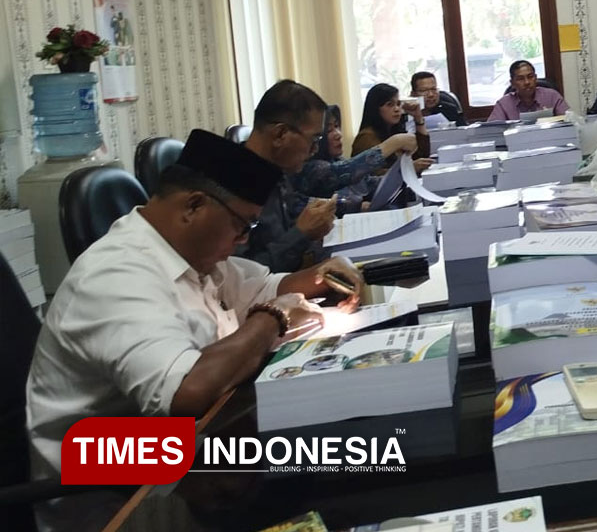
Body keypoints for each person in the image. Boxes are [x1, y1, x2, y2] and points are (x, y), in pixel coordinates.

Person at [26, 129, 365, 473]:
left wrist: (327, 272)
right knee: (338, 458)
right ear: (193, 206)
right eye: (242, 225)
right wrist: (273, 318)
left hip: (187, 444)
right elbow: (186, 394)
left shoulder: (191, 254)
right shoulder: (114, 276)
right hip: (108, 476)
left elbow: (264, 287)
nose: (243, 240)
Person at [238, 80, 338, 272]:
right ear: (280, 134)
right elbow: (242, 276)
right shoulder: (233, 186)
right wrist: (302, 233)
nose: (315, 149)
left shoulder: (276, 171)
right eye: (314, 139)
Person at [288, 104, 418, 217]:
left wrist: (407, 177)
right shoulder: (308, 168)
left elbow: (370, 183)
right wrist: (394, 143)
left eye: (337, 126)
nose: (338, 134)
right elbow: (345, 171)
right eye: (328, 130)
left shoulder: (335, 159)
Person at [352, 82, 432, 167]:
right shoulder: (367, 137)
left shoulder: (393, 130)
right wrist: (409, 168)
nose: (397, 109)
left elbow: (422, 156)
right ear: (375, 108)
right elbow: (372, 173)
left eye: (398, 104)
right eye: (390, 104)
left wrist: (418, 118)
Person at [488, 60, 569, 120]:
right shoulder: (504, 104)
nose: (527, 82)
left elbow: (568, 122)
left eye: (530, 77)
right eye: (520, 79)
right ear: (512, 83)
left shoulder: (552, 96)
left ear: (535, 78)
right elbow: (494, 130)